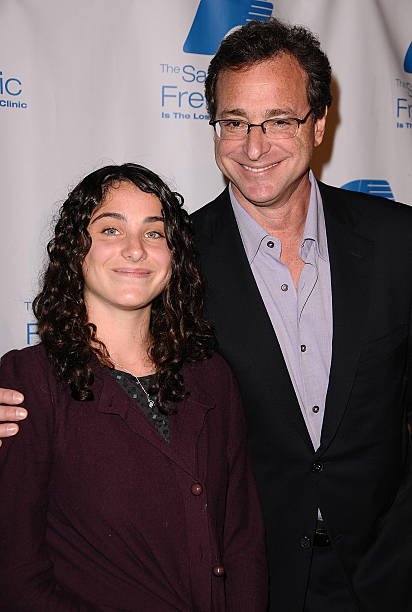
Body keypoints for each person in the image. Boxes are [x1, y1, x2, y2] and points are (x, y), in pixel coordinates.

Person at [1, 16, 412, 612]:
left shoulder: (398, 242)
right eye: (235, 122)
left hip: (389, 575)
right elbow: (88, 377)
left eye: (279, 120)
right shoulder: (170, 263)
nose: (254, 146)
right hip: (248, 582)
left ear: (319, 123)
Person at [0, 163, 267, 611]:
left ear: (174, 255)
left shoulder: (211, 375)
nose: (134, 250)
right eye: (109, 229)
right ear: (75, 249)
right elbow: (15, 571)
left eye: (154, 233)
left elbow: (242, 537)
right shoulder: (28, 383)